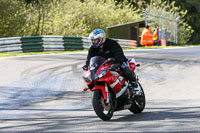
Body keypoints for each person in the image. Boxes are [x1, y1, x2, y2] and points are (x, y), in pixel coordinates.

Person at [82, 29, 141, 94]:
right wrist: (87, 66)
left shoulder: (112, 44)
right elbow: (89, 59)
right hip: (104, 66)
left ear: (101, 39)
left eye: (95, 40)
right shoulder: (92, 49)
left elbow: (120, 55)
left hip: (118, 62)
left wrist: (117, 63)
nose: (93, 42)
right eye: (92, 40)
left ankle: (135, 85)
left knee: (126, 70)